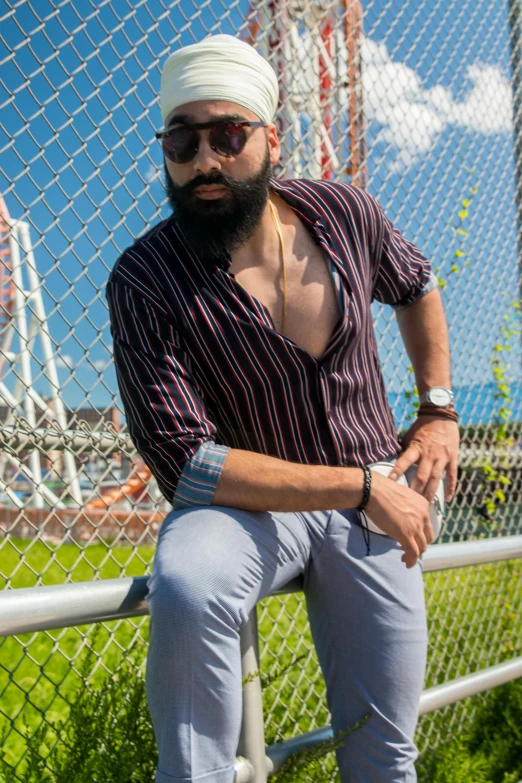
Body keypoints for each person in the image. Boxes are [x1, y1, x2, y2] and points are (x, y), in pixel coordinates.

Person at [106, 33, 459, 783]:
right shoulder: (144, 278)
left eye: (228, 135)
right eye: (181, 138)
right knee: (190, 578)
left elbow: (418, 282)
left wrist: (438, 410)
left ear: (271, 138)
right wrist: (363, 486)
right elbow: (188, 463)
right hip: (249, 501)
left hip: (371, 494)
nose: (204, 159)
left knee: (382, 748)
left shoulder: (346, 214)